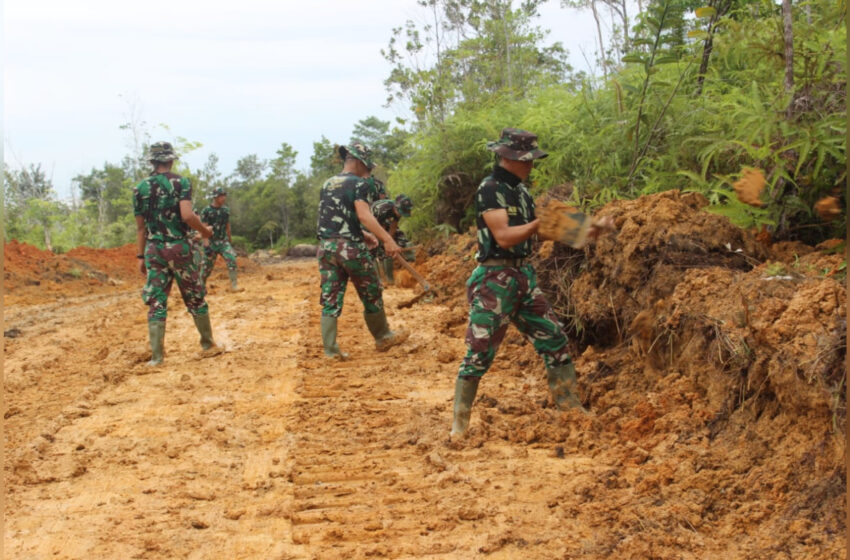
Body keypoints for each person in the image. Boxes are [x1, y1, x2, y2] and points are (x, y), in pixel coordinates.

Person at [451, 128, 613, 437]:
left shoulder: (521, 192)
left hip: (523, 276)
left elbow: (538, 230)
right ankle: (459, 425)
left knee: (554, 339)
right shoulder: (491, 189)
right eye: (527, 160)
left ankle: (570, 408)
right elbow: (505, 237)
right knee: (479, 352)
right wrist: (542, 223)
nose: (531, 165)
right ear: (508, 158)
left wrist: (587, 228)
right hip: (494, 280)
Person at [316, 142, 409, 359]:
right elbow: (365, 215)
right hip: (350, 249)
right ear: (357, 162)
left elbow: (332, 217)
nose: (368, 172)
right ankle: (383, 336)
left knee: (330, 298)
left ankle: (330, 351)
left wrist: (364, 235)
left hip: (327, 248)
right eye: (366, 167)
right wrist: (386, 239)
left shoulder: (328, 183)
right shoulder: (359, 184)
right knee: (371, 291)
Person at [133, 141, 222, 366]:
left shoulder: (140, 188)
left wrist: (141, 257)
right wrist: (205, 231)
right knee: (194, 295)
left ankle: (157, 357)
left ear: (152, 162)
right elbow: (187, 216)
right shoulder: (181, 183)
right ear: (171, 160)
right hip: (180, 248)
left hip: (154, 250)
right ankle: (207, 344)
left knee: (157, 301)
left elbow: (141, 228)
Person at [200, 187, 240, 292]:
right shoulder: (206, 211)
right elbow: (203, 229)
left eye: (224, 195)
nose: (224, 198)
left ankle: (234, 286)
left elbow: (227, 226)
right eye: (221, 196)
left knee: (232, 260)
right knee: (206, 268)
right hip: (211, 242)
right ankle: (201, 287)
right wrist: (206, 245)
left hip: (223, 242)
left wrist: (230, 241)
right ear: (215, 197)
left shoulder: (225, 210)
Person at [369, 194, 415, 284]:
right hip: (369, 222)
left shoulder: (399, 210)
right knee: (374, 249)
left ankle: (389, 278)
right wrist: (383, 243)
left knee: (399, 238)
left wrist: (390, 241)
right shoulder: (382, 209)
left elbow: (393, 226)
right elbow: (375, 228)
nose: (401, 214)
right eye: (401, 212)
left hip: (383, 221)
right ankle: (378, 280)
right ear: (395, 207)